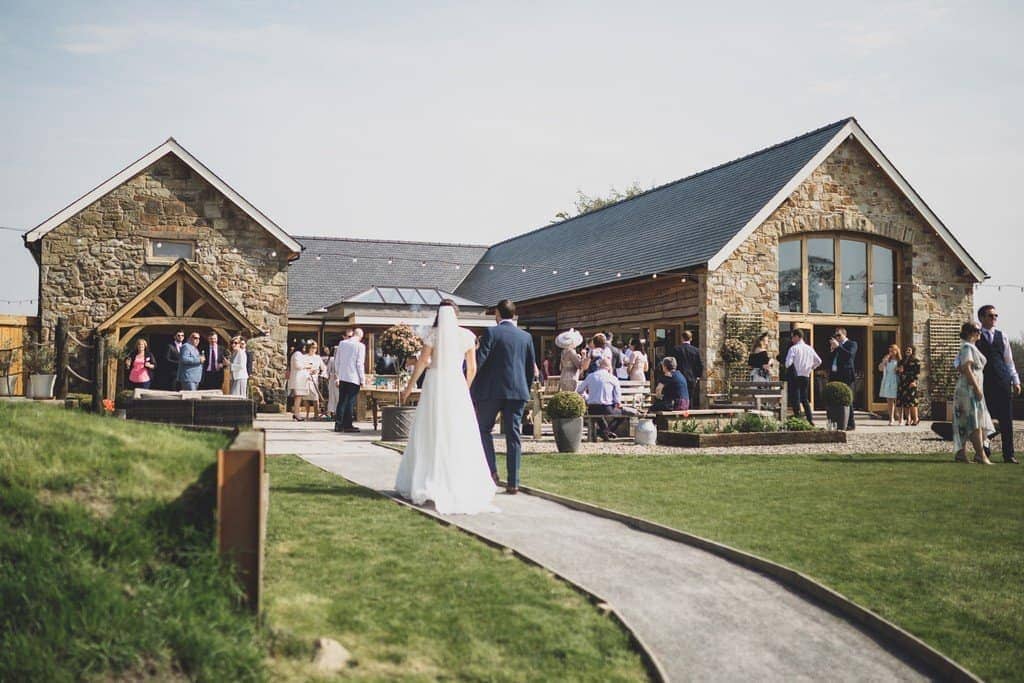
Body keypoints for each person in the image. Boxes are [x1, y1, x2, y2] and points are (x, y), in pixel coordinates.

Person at [395, 301, 497, 514]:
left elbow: (422, 362)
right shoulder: (467, 336)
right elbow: (472, 368)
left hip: (435, 384)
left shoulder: (433, 335)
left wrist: (409, 387)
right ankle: (460, 480)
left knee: (429, 428)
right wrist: (465, 388)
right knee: (459, 432)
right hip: (456, 384)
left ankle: (425, 477)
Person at [471, 299, 536, 495]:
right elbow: (529, 367)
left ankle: (491, 472)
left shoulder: (492, 332)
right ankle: (514, 482)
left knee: (483, 430)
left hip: (491, 391)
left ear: (498, 314)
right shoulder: (526, 337)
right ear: (514, 314)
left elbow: (480, 360)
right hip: (517, 391)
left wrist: (469, 382)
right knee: (513, 436)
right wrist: (525, 387)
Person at [976, 305, 1021, 463]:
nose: (994, 318)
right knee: (985, 419)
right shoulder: (976, 336)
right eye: (990, 315)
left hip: (1002, 381)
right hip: (984, 383)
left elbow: (1009, 361)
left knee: (1006, 420)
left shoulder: (1002, 336)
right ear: (981, 318)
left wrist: (1015, 380)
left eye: (996, 315)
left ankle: (1009, 455)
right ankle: (984, 452)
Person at [953, 322, 994, 464]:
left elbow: (959, 366)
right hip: (968, 389)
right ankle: (981, 455)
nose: (980, 332)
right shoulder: (966, 347)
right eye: (978, 330)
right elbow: (967, 368)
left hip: (971, 387)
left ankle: (962, 454)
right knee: (974, 421)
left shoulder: (970, 347)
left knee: (974, 420)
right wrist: (976, 388)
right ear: (971, 332)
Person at [576, 357, 623, 440]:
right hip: (607, 408)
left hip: (592, 408)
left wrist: (587, 397)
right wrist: (617, 403)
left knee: (598, 416)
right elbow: (617, 399)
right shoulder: (612, 378)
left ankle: (604, 433)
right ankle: (606, 431)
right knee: (622, 415)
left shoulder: (590, 376)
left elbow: (579, 390)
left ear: (599, 366)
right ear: (609, 367)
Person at [333, 328, 366, 433]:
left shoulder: (342, 343)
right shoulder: (360, 346)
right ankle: (347, 425)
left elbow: (337, 360)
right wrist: (362, 379)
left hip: (343, 376)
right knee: (350, 402)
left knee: (342, 401)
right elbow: (359, 364)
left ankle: (338, 424)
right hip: (354, 377)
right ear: (361, 337)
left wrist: (338, 375)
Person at [784, 329, 820, 424]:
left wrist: (790, 365)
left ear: (797, 337)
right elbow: (819, 361)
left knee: (795, 398)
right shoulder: (809, 348)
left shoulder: (793, 349)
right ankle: (810, 419)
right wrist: (811, 367)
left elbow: (788, 364)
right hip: (805, 375)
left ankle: (798, 419)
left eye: (792, 337)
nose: (792, 339)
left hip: (796, 375)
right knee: (804, 399)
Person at [827, 327, 858, 430]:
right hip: (835, 374)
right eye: (836, 336)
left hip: (846, 375)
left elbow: (849, 356)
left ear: (844, 335)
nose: (837, 337)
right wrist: (832, 350)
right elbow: (830, 360)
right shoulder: (837, 346)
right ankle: (837, 422)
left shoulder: (851, 344)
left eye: (839, 335)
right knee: (836, 399)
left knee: (847, 399)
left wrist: (838, 347)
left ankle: (850, 423)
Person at [670, 331, 703, 408]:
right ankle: (689, 413)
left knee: (679, 396)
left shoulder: (676, 349)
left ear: (682, 338)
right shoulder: (695, 350)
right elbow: (699, 364)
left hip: (679, 376)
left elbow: (673, 364)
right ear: (691, 339)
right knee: (690, 397)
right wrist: (698, 376)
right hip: (692, 377)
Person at [288, 341, 315, 421]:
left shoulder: (298, 354)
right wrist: (307, 366)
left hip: (300, 378)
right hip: (298, 379)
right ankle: (296, 414)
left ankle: (296, 413)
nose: (304, 348)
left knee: (298, 397)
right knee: (298, 397)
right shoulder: (297, 354)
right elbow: (298, 365)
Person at [897, 345, 921, 426]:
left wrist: (914, 381)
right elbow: (898, 371)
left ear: (912, 351)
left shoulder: (916, 361)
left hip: (911, 383)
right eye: (906, 350)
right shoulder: (901, 361)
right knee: (905, 402)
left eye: (909, 350)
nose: (908, 351)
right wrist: (899, 371)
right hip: (903, 383)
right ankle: (908, 419)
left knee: (912, 402)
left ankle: (916, 419)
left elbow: (917, 373)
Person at [878, 344, 901, 425]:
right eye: (890, 351)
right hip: (888, 379)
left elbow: (902, 369)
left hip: (896, 379)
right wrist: (884, 361)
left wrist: (898, 369)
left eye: (892, 351)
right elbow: (880, 368)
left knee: (897, 400)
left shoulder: (899, 360)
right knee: (889, 400)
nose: (890, 352)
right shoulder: (887, 359)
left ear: (896, 351)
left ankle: (900, 418)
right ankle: (891, 418)